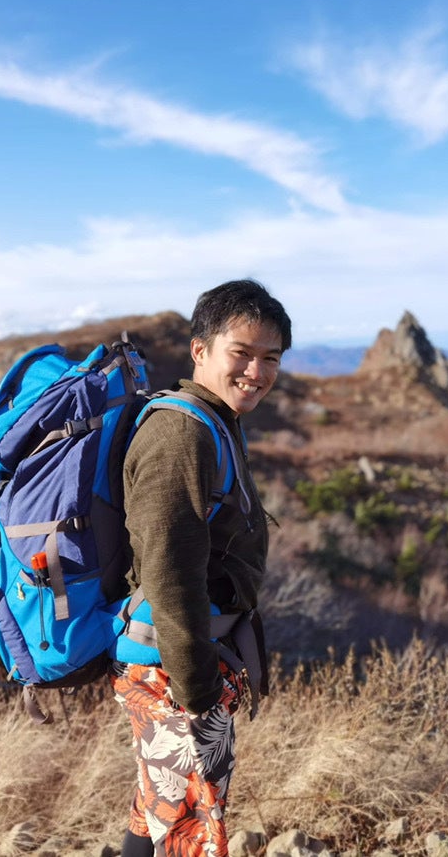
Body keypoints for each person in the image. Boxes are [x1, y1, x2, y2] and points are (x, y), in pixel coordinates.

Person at [112, 279, 291, 857]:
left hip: (181, 658)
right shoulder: (181, 434)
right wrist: (199, 692)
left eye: (271, 358)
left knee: (161, 809)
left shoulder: (213, 421)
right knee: (193, 830)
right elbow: (169, 570)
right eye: (242, 353)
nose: (256, 372)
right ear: (200, 350)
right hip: (173, 667)